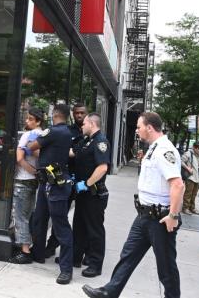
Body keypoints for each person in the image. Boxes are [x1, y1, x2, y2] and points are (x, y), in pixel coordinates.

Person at [82, 112, 184, 298]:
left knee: (166, 267)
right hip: (144, 215)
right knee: (127, 256)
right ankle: (109, 292)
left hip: (160, 218)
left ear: (149, 128)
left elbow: (178, 185)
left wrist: (173, 216)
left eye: (138, 127)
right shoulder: (154, 148)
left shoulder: (164, 150)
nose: (136, 131)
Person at [27, 104, 74, 285]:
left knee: (60, 225)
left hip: (55, 185)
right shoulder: (68, 132)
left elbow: (32, 146)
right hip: (49, 182)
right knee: (40, 218)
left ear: (54, 115)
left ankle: (66, 270)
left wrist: (36, 137)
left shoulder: (53, 131)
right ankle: (38, 253)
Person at [45, 102, 88, 258]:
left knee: (83, 219)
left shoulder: (90, 132)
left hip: (84, 181)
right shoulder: (67, 132)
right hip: (66, 178)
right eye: (76, 113)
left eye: (82, 113)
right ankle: (51, 246)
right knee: (60, 215)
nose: (79, 115)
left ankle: (82, 253)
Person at [72, 113, 111, 278]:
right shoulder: (86, 141)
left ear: (92, 123)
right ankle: (75, 257)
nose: (82, 126)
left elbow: (102, 168)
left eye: (84, 123)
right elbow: (73, 153)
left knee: (94, 230)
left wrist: (86, 184)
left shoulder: (100, 141)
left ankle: (95, 265)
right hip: (82, 193)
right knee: (79, 226)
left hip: (94, 193)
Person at [8, 107, 44, 264]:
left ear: (38, 121)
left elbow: (19, 158)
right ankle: (25, 245)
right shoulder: (45, 135)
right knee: (27, 215)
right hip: (34, 181)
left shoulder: (28, 135)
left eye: (30, 119)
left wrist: (32, 171)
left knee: (20, 216)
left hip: (23, 179)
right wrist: (36, 173)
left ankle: (25, 251)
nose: (26, 121)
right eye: (27, 118)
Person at [181, 142, 199, 215]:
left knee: (194, 194)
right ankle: (185, 208)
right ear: (193, 147)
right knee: (188, 194)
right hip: (190, 177)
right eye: (196, 147)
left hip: (197, 177)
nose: (198, 149)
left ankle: (192, 207)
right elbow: (181, 161)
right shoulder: (188, 153)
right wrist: (188, 168)